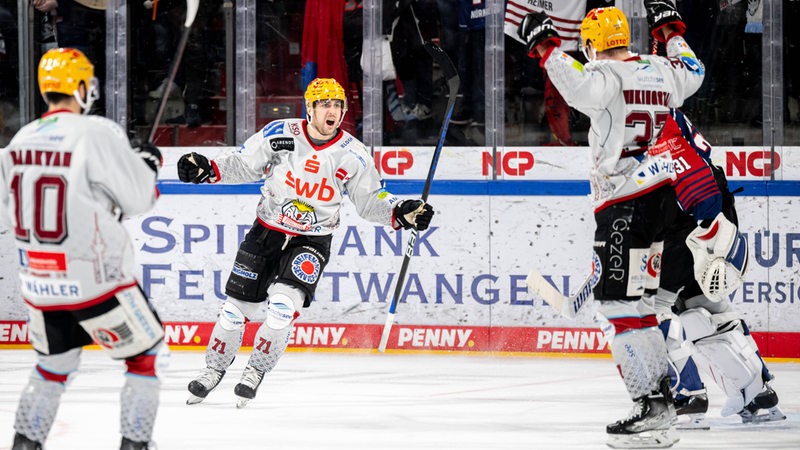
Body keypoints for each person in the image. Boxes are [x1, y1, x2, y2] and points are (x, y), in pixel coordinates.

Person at [177, 77, 435, 408]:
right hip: (266, 232)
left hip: (312, 241)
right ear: (309, 107)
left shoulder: (353, 155)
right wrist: (208, 169)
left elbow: (371, 201)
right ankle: (212, 370)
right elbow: (243, 164)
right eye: (324, 104)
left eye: (338, 105)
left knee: (283, 308)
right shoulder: (280, 134)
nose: (332, 111)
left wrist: (401, 212)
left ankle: (255, 370)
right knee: (233, 311)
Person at [518, 3, 704, 447]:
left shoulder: (606, 75)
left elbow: (578, 88)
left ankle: (651, 406)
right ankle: (663, 403)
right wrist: (671, 33)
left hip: (624, 205)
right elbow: (693, 70)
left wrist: (547, 48)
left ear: (592, 44)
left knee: (620, 310)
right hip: (664, 199)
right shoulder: (662, 68)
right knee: (641, 307)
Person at [1, 48, 166, 450]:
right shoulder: (95, 131)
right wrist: (147, 161)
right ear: (79, 86)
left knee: (53, 366)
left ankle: (25, 444)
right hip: (96, 282)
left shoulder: (20, 139)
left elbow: (13, 209)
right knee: (146, 356)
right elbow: (140, 198)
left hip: (40, 281)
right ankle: (136, 444)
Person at [651, 108, 786, 426]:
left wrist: (709, 231)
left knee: (646, 307)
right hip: (704, 211)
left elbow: (688, 178)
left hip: (696, 218)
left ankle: (687, 393)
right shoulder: (660, 105)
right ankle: (757, 393)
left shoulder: (648, 115)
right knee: (706, 308)